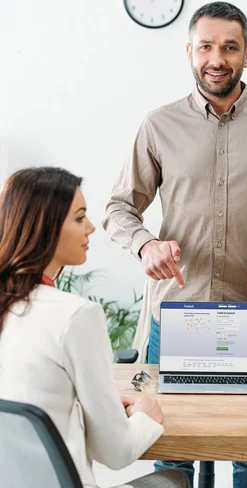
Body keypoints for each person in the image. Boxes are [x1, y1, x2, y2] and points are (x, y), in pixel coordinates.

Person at [103, 1, 247, 488]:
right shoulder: (158, 125)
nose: (217, 58)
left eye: (229, 47)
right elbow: (119, 208)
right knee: (171, 454)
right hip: (177, 319)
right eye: (206, 46)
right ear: (189, 52)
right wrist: (146, 245)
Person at [0, 167, 189, 488]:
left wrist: (93, 401)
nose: (91, 228)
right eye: (79, 218)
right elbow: (116, 453)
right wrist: (146, 416)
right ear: (44, 226)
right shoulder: (75, 315)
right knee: (175, 478)